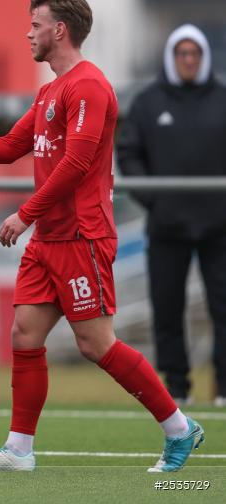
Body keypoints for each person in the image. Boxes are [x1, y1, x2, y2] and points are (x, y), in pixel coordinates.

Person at [0, 0, 204, 473]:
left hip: (82, 236)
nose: (28, 33)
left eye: (35, 24)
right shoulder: (50, 91)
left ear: (59, 30)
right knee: (25, 334)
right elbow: (10, 145)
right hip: (49, 239)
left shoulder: (89, 86)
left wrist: (25, 213)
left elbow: (78, 163)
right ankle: (19, 450)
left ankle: (179, 428)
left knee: (95, 344)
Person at [117, 24, 226, 406]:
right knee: (167, 307)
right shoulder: (148, 103)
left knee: (223, 307)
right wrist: (154, 199)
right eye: (182, 53)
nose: (188, 60)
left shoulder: (222, 98)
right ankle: (177, 387)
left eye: (194, 53)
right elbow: (129, 153)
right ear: (171, 57)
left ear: (203, 57)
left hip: (219, 226)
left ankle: (224, 387)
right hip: (167, 225)